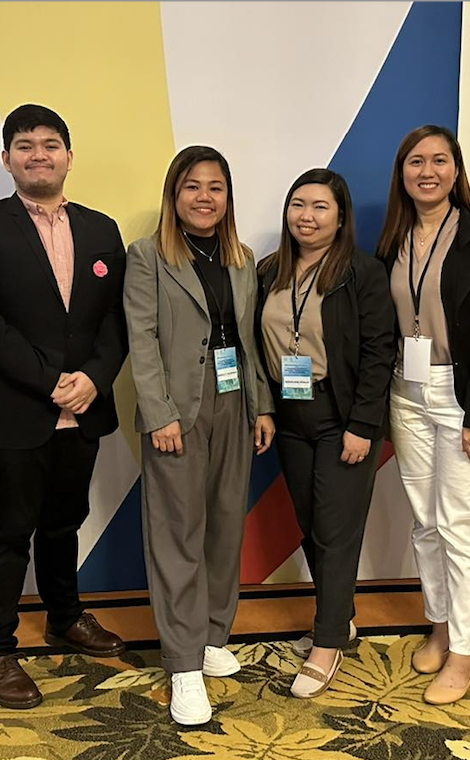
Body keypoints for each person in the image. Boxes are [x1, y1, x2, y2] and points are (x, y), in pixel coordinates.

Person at [0, 104, 128, 710]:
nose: (39, 154)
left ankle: (64, 617)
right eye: (25, 145)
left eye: (51, 144)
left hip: (85, 410)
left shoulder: (103, 229)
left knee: (64, 522)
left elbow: (115, 322)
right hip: (17, 408)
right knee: (8, 531)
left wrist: (94, 380)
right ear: (7, 159)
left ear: (69, 157)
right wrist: (54, 382)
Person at [124, 146, 276, 726]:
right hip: (177, 408)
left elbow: (248, 340)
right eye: (192, 186)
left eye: (216, 187)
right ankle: (183, 663)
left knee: (224, 522)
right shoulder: (147, 256)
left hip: (236, 400)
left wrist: (260, 407)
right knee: (177, 531)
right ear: (174, 194)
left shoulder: (242, 259)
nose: (204, 197)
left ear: (227, 197)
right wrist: (159, 413)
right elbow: (142, 339)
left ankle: (213, 636)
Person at [377, 127, 470, 705]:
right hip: (405, 393)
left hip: (464, 400)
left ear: (456, 170)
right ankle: (440, 624)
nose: (427, 171)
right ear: (402, 172)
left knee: (460, 525)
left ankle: (466, 653)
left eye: (439, 160)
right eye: (415, 161)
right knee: (425, 521)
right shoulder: (393, 239)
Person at [256, 168, 396, 700]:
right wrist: (264, 409)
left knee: (337, 532)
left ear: (340, 218)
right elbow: (257, 348)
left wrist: (364, 425)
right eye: (298, 204)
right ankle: (341, 617)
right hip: (290, 419)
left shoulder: (362, 272)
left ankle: (328, 640)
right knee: (313, 525)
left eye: (320, 206)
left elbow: (380, 351)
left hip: (342, 418)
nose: (306, 216)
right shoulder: (271, 270)